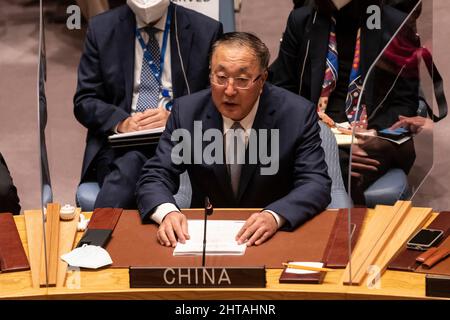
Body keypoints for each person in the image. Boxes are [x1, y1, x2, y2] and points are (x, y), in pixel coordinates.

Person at [136, 32, 331, 247]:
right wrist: (167, 212)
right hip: (206, 237)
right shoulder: (187, 113)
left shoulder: (296, 114)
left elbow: (316, 183)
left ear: (263, 79)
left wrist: (274, 216)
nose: (229, 90)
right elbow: (155, 175)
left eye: (242, 80)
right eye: (220, 78)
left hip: (274, 235)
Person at [74, 0, 223, 209]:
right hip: (122, 144)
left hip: (179, 141)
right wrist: (122, 122)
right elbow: (85, 100)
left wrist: (176, 117)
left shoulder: (205, 30)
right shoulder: (102, 29)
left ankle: (95, 237)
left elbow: (219, 97)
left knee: (135, 165)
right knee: (132, 160)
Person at [270, 0, 419, 204]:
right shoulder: (302, 20)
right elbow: (282, 88)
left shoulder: (396, 24)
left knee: (336, 166)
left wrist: (369, 136)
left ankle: (336, 225)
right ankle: (344, 227)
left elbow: (405, 102)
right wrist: (320, 136)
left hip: (371, 132)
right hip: (315, 128)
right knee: (337, 164)